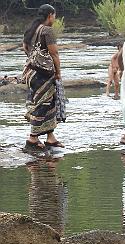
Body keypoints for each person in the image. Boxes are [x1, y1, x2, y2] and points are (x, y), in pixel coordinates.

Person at [22, 4, 64, 152]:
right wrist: (58, 72)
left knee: (49, 102)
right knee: (42, 105)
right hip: (43, 74)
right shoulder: (47, 30)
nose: (55, 18)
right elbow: (54, 54)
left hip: (32, 72)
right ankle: (32, 138)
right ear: (50, 15)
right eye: (54, 15)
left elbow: (25, 47)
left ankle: (50, 137)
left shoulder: (32, 29)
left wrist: (34, 60)